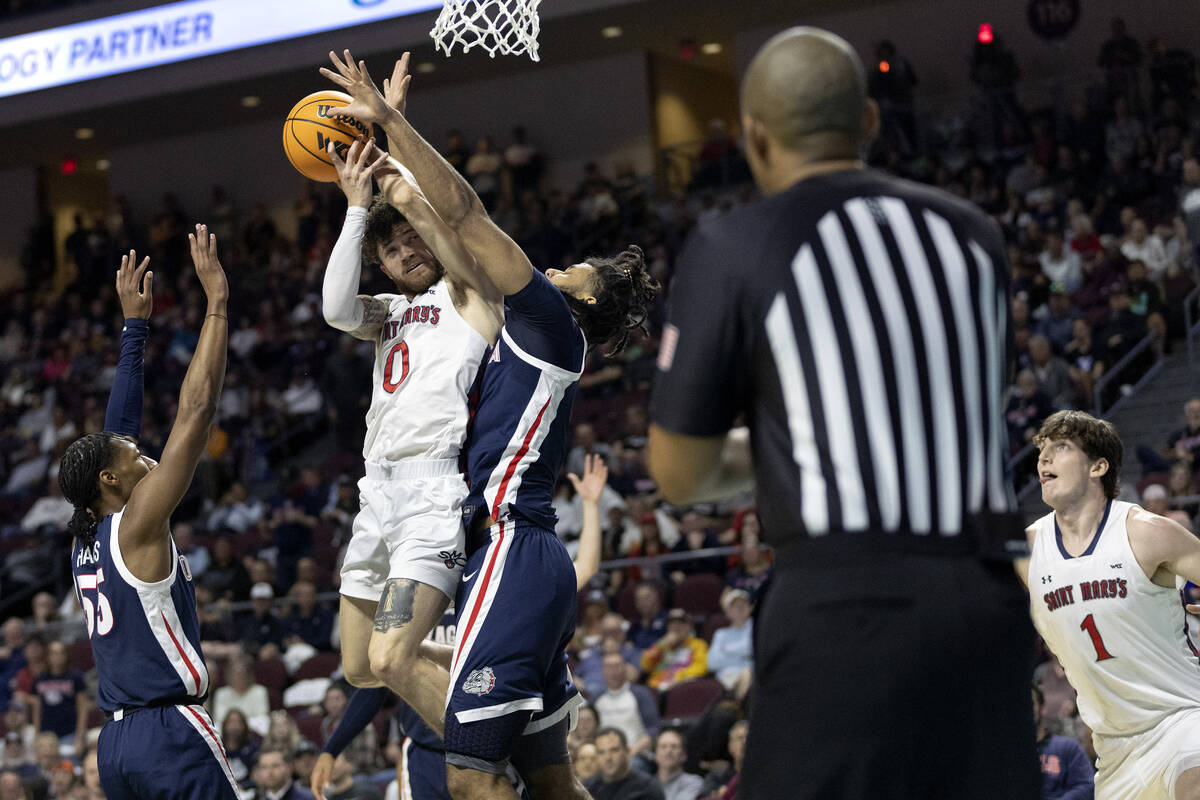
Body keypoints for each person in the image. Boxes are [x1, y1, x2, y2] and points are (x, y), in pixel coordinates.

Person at [646, 26, 1036, 798]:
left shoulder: (735, 243)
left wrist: (785, 441)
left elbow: (678, 473)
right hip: (986, 603)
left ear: (753, 137)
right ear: (868, 122)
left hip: (843, 607)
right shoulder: (973, 235)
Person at [321, 49, 656, 800]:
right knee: (557, 786)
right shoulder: (520, 330)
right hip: (510, 549)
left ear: (579, 302)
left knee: (472, 779)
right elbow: (449, 247)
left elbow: (465, 219)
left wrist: (395, 128)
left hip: (511, 538)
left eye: (570, 274)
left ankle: (481, 744)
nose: (554, 269)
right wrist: (395, 189)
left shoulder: (542, 319)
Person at [317, 126, 503, 743]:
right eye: (390, 249)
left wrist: (398, 176)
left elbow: (455, 228)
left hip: (431, 493)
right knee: (356, 666)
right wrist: (356, 209)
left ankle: (498, 757)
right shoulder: (389, 314)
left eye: (410, 239)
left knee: (389, 660)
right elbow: (336, 309)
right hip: (377, 498)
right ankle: (496, 677)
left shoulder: (469, 295)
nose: (404, 252)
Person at [58, 232, 239, 799]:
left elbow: (119, 430)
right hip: (169, 735)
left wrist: (134, 328)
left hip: (114, 751)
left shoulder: (86, 536)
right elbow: (195, 411)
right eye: (138, 457)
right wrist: (216, 306)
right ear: (110, 482)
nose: (148, 454)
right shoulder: (137, 526)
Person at [1020, 410, 1200, 798]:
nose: (1044, 459)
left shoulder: (1146, 533)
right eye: (1041, 450)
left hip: (1183, 719)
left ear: (1098, 466)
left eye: (1061, 447)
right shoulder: (1028, 552)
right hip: (1113, 749)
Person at [591, 653, 659, 758]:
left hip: (635, 753)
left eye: (617, 666)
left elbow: (652, 730)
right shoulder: (595, 698)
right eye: (609, 667)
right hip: (602, 756)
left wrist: (633, 751)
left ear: (625, 669)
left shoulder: (641, 694)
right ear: (603, 671)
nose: (613, 671)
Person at [1032, 684, 1094, 800]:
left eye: (1031, 703)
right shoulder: (1010, 753)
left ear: (1043, 708)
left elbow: (1086, 786)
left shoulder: (1068, 748)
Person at [29, 641, 88, 757]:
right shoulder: (40, 678)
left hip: (69, 732)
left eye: (61, 653)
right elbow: (37, 709)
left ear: (66, 655)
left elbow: (83, 707)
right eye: (53, 653)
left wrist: (79, 737)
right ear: (48, 656)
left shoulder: (75, 677)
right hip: (46, 734)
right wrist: (36, 736)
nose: (57, 657)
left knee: (68, 767)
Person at [585, 728, 664, 800]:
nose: (608, 758)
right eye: (601, 752)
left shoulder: (648, 788)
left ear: (627, 751)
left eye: (614, 750)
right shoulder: (587, 788)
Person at [639, 610, 707, 692]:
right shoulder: (662, 644)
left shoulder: (698, 645)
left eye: (681, 623)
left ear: (689, 626)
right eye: (672, 623)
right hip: (656, 687)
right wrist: (660, 647)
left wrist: (679, 676)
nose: (676, 626)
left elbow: (701, 668)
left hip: (681, 687)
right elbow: (645, 665)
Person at [705, 590, 753, 699]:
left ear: (750, 608)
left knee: (746, 674)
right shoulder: (721, 634)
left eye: (743, 603)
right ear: (727, 612)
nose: (740, 607)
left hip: (751, 677)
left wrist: (727, 651)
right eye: (735, 605)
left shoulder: (757, 628)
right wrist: (743, 655)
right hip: (725, 679)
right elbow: (711, 663)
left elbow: (754, 650)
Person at [652, 729, 703, 800]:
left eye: (674, 746)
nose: (668, 751)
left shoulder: (693, 782)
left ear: (684, 755)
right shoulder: (646, 784)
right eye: (663, 746)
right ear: (655, 755)